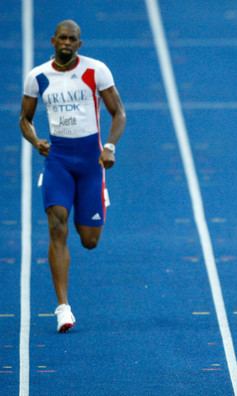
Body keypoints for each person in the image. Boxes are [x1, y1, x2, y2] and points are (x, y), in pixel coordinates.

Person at [19, 20, 126, 332]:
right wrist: (35, 139)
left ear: (80, 44)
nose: (66, 43)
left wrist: (109, 147)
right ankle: (63, 307)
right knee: (57, 223)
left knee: (89, 241)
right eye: (62, 38)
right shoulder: (37, 77)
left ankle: (98, 196)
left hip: (91, 162)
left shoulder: (96, 71)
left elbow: (118, 112)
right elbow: (24, 119)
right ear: (53, 41)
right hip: (58, 161)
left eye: (73, 40)